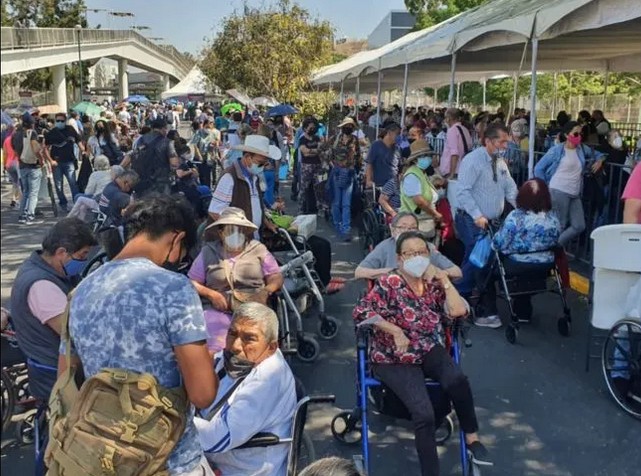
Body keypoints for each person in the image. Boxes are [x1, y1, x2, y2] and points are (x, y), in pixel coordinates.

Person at [61, 195, 219, 476]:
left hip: (100, 457)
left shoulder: (80, 291)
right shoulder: (174, 289)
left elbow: (66, 377)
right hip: (168, 459)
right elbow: (203, 394)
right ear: (176, 238)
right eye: (182, 253)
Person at [353, 231, 492, 476]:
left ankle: (472, 437)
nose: (417, 257)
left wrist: (445, 280)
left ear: (429, 255)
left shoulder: (434, 284)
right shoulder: (389, 283)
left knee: (457, 380)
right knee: (424, 414)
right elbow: (362, 313)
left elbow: (459, 311)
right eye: (410, 253)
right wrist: (393, 329)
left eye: (422, 252)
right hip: (393, 356)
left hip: (427, 346)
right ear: (399, 259)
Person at [194, 303, 295, 476]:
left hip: (240, 469)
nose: (235, 346)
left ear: (271, 347)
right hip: (217, 455)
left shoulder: (268, 379)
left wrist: (177, 419)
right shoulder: (239, 358)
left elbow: (217, 438)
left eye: (249, 338)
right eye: (232, 334)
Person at [10, 218, 96, 402]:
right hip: (54, 372)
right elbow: (74, 333)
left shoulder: (46, 268)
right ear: (61, 252)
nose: (84, 261)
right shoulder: (42, 286)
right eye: (82, 255)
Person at [188, 207, 283, 352]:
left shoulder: (258, 249)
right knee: (215, 346)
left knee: (254, 344)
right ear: (220, 233)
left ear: (245, 231)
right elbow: (192, 282)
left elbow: (276, 276)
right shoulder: (208, 252)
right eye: (230, 230)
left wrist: (265, 292)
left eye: (239, 230)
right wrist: (211, 294)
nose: (235, 234)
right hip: (218, 309)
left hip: (253, 306)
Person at [455, 122, 518, 329]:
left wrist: (522, 210)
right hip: (472, 219)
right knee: (478, 260)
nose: (505, 146)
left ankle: (460, 294)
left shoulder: (500, 162)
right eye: (501, 141)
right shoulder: (472, 161)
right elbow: (463, 191)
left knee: (477, 260)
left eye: (506, 142)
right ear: (488, 141)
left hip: (493, 221)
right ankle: (457, 294)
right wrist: (477, 215)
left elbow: (509, 187)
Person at [491, 179, 561, 321]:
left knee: (487, 270)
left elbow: (499, 243)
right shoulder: (553, 218)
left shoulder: (517, 217)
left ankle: (488, 312)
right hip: (546, 263)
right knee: (527, 272)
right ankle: (523, 310)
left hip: (518, 264)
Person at [534, 121, 605, 247]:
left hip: (575, 192)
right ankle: (550, 251)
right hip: (558, 190)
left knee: (579, 225)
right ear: (567, 135)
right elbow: (538, 168)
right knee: (560, 224)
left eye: (581, 133)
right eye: (576, 133)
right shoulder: (556, 150)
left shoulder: (582, 149)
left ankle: (552, 247)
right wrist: (545, 187)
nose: (579, 136)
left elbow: (600, 154)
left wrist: (600, 160)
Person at [355, 212, 461, 281]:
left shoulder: (426, 247)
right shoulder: (385, 247)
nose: (408, 232)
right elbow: (359, 272)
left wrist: (438, 273)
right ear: (393, 230)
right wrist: (392, 272)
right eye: (403, 227)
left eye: (412, 228)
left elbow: (457, 272)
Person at [209, 135, 281, 233]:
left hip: (252, 237)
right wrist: (236, 236)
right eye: (260, 163)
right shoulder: (229, 177)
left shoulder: (255, 177)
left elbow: (255, 207)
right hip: (235, 241)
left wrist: (267, 223)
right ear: (247, 157)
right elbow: (215, 212)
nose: (262, 167)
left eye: (265, 164)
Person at [400, 139, 442, 238]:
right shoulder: (412, 175)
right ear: (415, 159)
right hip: (413, 222)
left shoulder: (421, 173)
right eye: (423, 156)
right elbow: (419, 201)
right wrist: (435, 213)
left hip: (423, 220)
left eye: (428, 156)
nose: (427, 158)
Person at [44, 112, 84, 212]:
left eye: (62, 121)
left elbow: (79, 141)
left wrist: (83, 151)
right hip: (56, 163)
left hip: (69, 161)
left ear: (65, 121)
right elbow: (45, 148)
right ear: (55, 121)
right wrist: (50, 161)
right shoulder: (51, 133)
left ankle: (77, 204)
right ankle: (63, 203)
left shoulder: (70, 130)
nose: (60, 122)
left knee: (73, 184)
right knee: (58, 185)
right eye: (58, 121)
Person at [129, 117, 178, 196]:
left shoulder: (140, 139)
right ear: (163, 128)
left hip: (142, 180)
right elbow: (174, 163)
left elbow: (133, 155)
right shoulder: (167, 142)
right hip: (161, 182)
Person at [329, 117, 360, 241]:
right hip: (337, 171)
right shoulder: (335, 139)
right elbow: (325, 152)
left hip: (349, 172)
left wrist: (355, 168)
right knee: (337, 202)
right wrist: (332, 165)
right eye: (347, 126)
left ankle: (346, 229)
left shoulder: (355, 140)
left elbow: (358, 156)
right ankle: (338, 224)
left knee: (346, 203)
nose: (349, 128)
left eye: (351, 126)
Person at [17, 114, 44, 225]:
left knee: (25, 191)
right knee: (33, 192)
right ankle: (30, 215)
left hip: (22, 165)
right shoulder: (32, 133)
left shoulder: (16, 134)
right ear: (32, 124)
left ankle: (22, 215)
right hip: (33, 166)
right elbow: (35, 149)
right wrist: (41, 160)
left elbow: (15, 150)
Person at [298, 117, 323, 214]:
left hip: (318, 166)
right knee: (303, 189)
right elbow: (305, 152)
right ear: (305, 128)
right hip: (306, 167)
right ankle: (300, 210)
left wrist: (312, 151)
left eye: (314, 127)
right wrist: (316, 151)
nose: (312, 129)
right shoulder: (302, 139)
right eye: (310, 127)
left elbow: (322, 150)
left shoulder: (317, 138)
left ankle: (320, 209)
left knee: (319, 188)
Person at [365, 122, 400, 189]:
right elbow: (369, 163)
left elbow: (400, 167)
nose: (399, 136)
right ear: (389, 133)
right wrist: (368, 180)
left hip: (394, 185)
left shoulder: (397, 148)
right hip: (379, 185)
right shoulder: (376, 145)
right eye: (397, 134)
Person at [440, 108, 472, 178]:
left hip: (451, 171)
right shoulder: (465, 129)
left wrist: (451, 174)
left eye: (445, 117)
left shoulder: (452, 131)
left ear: (449, 118)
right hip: (463, 168)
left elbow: (454, 153)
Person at [2, 123, 22, 208]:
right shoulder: (18, 139)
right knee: (21, 182)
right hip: (17, 162)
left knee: (15, 182)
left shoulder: (6, 140)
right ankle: (22, 201)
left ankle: (13, 199)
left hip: (9, 164)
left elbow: (5, 153)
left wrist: (5, 165)